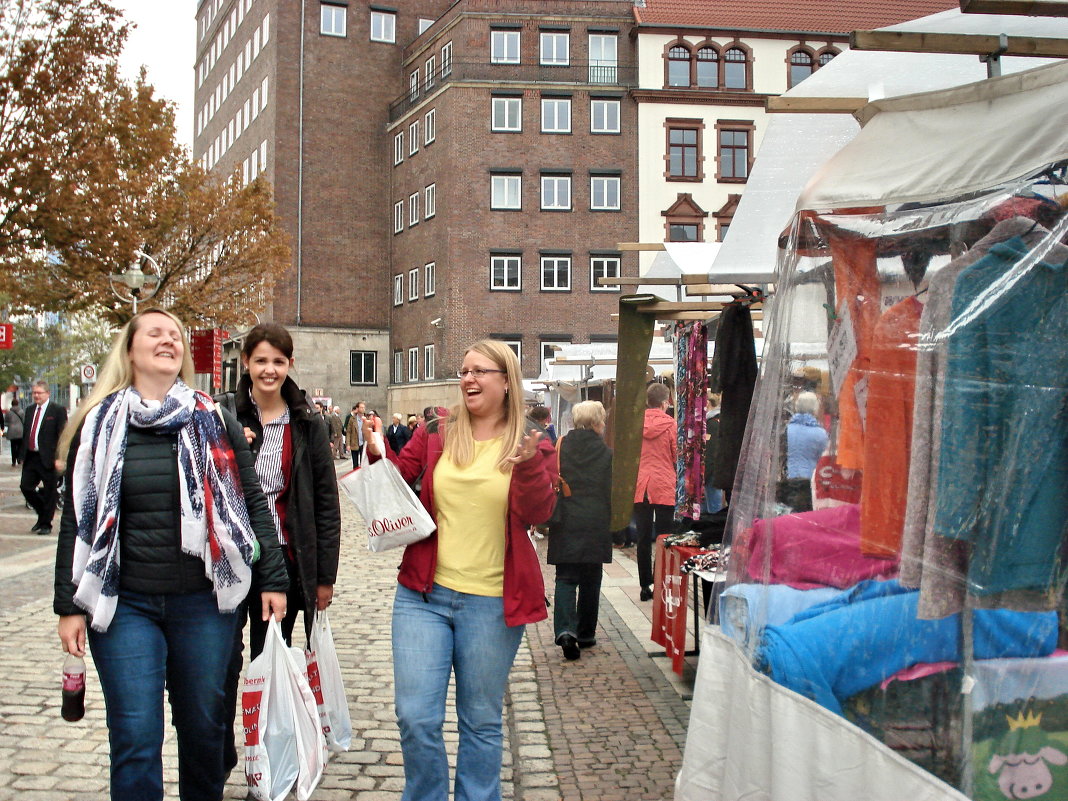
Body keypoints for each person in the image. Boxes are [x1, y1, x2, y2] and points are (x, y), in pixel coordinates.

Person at [53, 308, 288, 801]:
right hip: (124, 605)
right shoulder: (98, 425)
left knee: (204, 730)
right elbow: (78, 520)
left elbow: (250, 500)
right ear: (131, 350)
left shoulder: (213, 418)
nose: (169, 340)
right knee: (136, 735)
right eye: (154, 333)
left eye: (175, 335)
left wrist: (273, 579)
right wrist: (69, 605)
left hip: (202, 602)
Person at [365, 339, 556, 801]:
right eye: (464, 370)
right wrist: (374, 450)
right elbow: (397, 476)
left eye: (479, 371)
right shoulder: (436, 431)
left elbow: (539, 512)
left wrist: (529, 466)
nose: (468, 379)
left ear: (505, 380)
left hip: (491, 604)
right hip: (423, 597)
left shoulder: (532, 440)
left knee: (481, 722)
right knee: (416, 717)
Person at [222, 322, 342, 772]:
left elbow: (326, 503)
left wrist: (324, 576)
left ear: (289, 365)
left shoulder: (306, 422)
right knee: (222, 663)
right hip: (232, 560)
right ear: (246, 365)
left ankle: (271, 756)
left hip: (287, 563)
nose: (269, 370)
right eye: (260, 361)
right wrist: (236, 451)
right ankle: (224, 749)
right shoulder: (225, 416)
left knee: (270, 658)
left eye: (278, 361)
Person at [546, 400, 612, 660]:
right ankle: (585, 633)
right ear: (597, 423)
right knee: (591, 579)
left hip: (565, 518)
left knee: (565, 577)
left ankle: (565, 630)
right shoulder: (607, 454)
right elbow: (611, 492)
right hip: (596, 521)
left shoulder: (559, 447)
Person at [633, 382, 677, 602]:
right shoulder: (671, 425)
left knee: (642, 537)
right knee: (664, 535)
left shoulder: (635, 424)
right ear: (665, 402)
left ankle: (644, 584)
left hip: (641, 485)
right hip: (663, 484)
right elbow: (676, 454)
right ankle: (661, 581)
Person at [22, 380, 68, 535]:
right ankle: (43, 515)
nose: (36, 396)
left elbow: (63, 435)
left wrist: (61, 457)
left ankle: (46, 524)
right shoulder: (29, 410)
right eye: (34, 393)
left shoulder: (57, 410)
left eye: (39, 393)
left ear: (47, 393)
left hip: (49, 458)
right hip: (31, 456)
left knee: (49, 492)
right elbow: (27, 433)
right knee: (26, 487)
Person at [781, 391, 829, 512]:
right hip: (809, 483)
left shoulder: (787, 429)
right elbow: (824, 460)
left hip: (789, 480)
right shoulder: (821, 434)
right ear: (814, 408)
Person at [5, 396, 24, 468]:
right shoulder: (21, 411)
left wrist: (9, 425)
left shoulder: (8, 413)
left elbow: (5, 422)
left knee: (13, 447)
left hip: (12, 431)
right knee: (20, 446)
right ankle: (19, 459)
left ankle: (13, 461)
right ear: (18, 404)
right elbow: (24, 421)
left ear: (12, 404)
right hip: (20, 431)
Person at [345, 401, 365, 468]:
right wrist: (348, 444)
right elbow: (348, 432)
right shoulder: (352, 419)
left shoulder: (366, 419)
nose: (363, 409)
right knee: (355, 464)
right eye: (361, 407)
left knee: (363, 463)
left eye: (364, 407)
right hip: (354, 443)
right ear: (357, 408)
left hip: (364, 444)